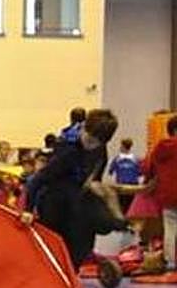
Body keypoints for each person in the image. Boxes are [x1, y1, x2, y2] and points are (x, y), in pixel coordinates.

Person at [32, 109, 122, 267]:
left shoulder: (100, 150)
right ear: (84, 128)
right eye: (89, 139)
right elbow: (39, 179)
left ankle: (73, 267)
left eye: (95, 143)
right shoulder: (66, 147)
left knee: (102, 224)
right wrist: (27, 209)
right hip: (55, 201)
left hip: (78, 198)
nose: (90, 145)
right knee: (60, 242)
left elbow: (96, 180)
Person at [142, 115, 177, 270]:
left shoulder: (161, 146)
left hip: (167, 194)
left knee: (170, 228)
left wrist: (147, 180)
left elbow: (149, 166)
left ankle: (170, 261)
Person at [108, 137, 143, 214]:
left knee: (124, 207)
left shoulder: (117, 159)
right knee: (128, 207)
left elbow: (110, 172)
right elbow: (140, 173)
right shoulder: (136, 159)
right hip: (128, 186)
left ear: (123, 146)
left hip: (125, 186)